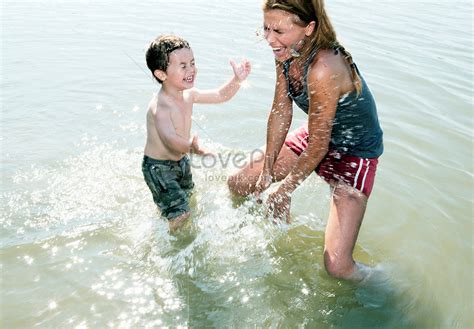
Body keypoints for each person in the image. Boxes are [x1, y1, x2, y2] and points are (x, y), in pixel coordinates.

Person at [227, 0, 383, 282]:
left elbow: (319, 147)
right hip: (317, 135)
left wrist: (284, 189)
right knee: (239, 183)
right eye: (265, 28)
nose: (269, 39)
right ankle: (283, 246)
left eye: (279, 31)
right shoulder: (285, 53)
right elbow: (280, 110)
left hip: (354, 153)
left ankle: (386, 283)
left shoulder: (324, 67)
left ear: (308, 28)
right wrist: (267, 171)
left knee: (338, 267)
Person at [143, 35, 251, 231]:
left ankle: (165, 213)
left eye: (192, 63)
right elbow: (169, 139)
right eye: (183, 66)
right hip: (158, 168)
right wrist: (193, 148)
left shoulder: (189, 95)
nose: (191, 69)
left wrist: (236, 80)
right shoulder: (160, 107)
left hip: (181, 161)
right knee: (181, 213)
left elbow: (220, 95)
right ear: (161, 74)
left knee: (187, 198)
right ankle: (173, 248)